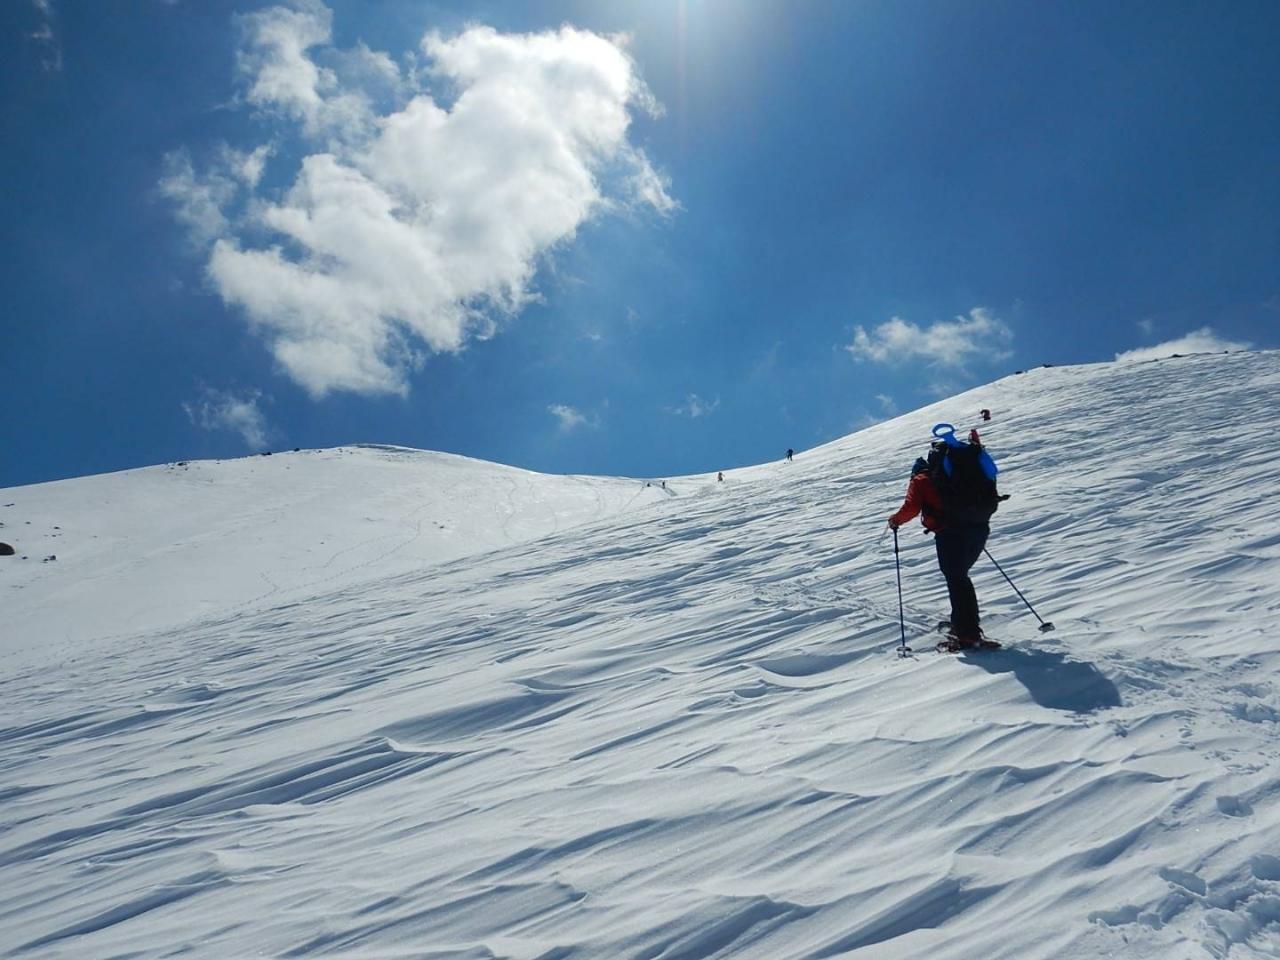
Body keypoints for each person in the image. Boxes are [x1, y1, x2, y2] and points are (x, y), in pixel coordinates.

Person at [887, 453, 990, 649]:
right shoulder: (960, 474)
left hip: (951, 534)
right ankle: (963, 625)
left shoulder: (921, 479)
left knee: (957, 579)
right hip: (979, 529)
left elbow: (911, 507)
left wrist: (895, 520)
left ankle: (967, 633)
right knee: (960, 578)